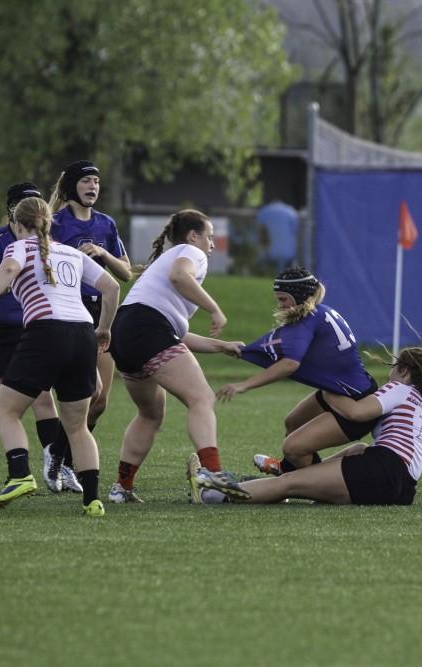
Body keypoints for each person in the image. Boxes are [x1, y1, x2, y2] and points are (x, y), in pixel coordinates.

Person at [197, 325, 422, 504]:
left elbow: (356, 412)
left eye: (394, 367)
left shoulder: (399, 388)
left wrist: (328, 383)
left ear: (404, 372)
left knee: (288, 485)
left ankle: (216, 494)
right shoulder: (418, 401)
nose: (389, 372)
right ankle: (288, 476)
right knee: (359, 449)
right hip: (402, 487)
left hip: (383, 471)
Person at [0, 196, 119, 516]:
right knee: (77, 427)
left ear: (18, 225)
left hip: (46, 332)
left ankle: (20, 474)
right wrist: (104, 329)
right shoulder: (72, 253)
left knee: (4, 411)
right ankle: (92, 500)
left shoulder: (18, 247)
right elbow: (112, 286)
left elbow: (8, 270)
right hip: (82, 335)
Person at [106, 209, 241, 504]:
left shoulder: (163, 268)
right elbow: (179, 276)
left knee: (150, 414)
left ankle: (122, 487)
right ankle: (212, 473)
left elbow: (173, 335)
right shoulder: (190, 252)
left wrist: (221, 345)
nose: (212, 244)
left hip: (125, 333)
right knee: (202, 398)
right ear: (193, 236)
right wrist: (214, 308)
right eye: (209, 236)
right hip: (146, 329)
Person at [215, 267, 378, 477]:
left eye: (283, 299)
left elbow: (290, 364)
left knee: (292, 447)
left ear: (299, 297)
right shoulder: (320, 312)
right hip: (343, 391)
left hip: (355, 402)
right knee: (293, 423)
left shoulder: (308, 321)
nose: (279, 305)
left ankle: (307, 483)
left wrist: (243, 385)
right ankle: (292, 472)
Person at [0, 183, 62, 491]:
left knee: (44, 399)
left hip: (29, 330)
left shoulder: (49, 244)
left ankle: (53, 468)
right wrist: (14, 277)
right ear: (13, 212)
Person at [46, 159, 131, 491]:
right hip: (68, 311)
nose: (93, 186)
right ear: (71, 187)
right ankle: (58, 460)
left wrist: (102, 254)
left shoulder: (106, 224)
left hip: (102, 313)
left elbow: (125, 273)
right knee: (84, 392)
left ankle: (62, 458)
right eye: (86, 181)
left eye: (96, 180)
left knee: (99, 402)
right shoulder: (53, 223)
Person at [256, 200, 299, 272]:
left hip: (271, 252)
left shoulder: (264, 211)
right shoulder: (291, 212)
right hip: (288, 252)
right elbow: (296, 230)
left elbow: (260, 231)